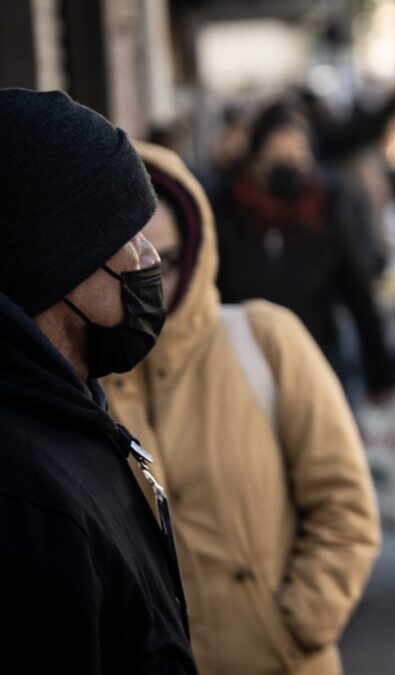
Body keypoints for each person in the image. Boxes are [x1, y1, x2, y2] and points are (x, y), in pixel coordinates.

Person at [104, 142, 381, 675]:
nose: (152, 280)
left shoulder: (264, 338)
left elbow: (344, 504)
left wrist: (297, 624)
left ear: (198, 244)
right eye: (131, 261)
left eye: (170, 257)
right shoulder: (84, 383)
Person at [0, 89, 197, 673]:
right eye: (127, 237)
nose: (147, 258)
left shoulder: (74, 412)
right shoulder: (25, 494)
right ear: (55, 261)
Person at [212, 100, 395, 395]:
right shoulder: (227, 209)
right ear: (256, 157)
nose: (287, 162)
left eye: (297, 153)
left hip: (314, 362)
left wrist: (380, 371)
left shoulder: (325, 209)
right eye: (276, 152)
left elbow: (356, 289)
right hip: (240, 366)